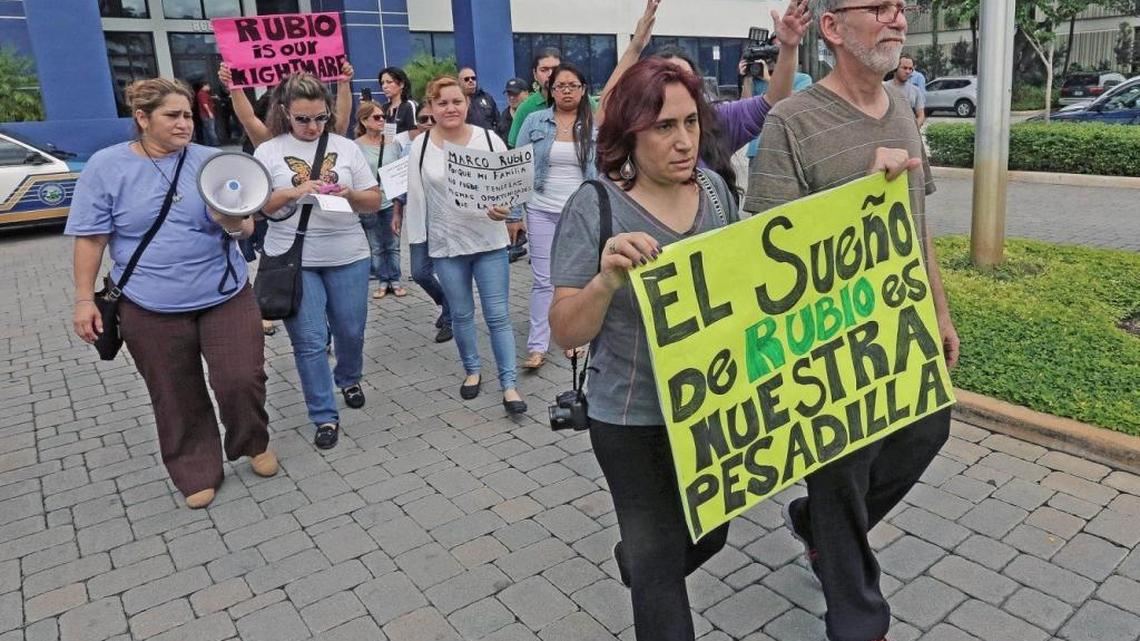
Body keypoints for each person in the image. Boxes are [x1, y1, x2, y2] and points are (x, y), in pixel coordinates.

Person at [744, 2, 959, 640]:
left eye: (903, 9)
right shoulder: (790, 122)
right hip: (824, 345)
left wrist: (939, 313)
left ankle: (815, 524)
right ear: (834, 29)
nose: (898, 20)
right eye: (881, 8)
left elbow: (916, 228)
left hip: (898, 327)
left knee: (929, 428)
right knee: (841, 474)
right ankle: (859, 618)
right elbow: (764, 246)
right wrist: (859, 200)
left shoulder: (899, 107)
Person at [549, 58, 740, 641]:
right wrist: (606, 280)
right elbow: (565, 329)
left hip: (709, 408)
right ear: (629, 132)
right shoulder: (595, 205)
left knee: (710, 534)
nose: (684, 142)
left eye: (690, 123)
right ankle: (648, 564)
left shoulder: (713, 189)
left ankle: (639, 558)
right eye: (663, 128)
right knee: (660, 572)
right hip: (630, 417)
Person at [68, 78, 277, 510]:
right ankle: (196, 469)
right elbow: (91, 238)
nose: (185, 124)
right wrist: (84, 298)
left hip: (224, 292)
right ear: (142, 118)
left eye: (188, 115)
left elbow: (246, 225)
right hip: (149, 303)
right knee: (173, 391)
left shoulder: (212, 160)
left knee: (241, 378)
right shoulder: (107, 167)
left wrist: (233, 223)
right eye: (173, 116)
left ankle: (251, 442)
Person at [254, 73, 382, 450]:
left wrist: (350, 193)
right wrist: (294, 191)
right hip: (295, 259)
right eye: (303, 119)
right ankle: (324, 416)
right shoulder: (269, 151)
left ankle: (348, 376)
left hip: (348, 254)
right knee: (309, 342)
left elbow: (374, 200)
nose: (312, 127)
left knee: (350, 331)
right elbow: (259, 208)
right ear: (284, 113)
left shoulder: (345, 147)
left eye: (320, 118)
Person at [598, 0, 813, 195]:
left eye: (686, 82)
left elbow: (773, 102)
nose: (683, 143)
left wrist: (789, 47)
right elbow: (607, 114)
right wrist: (635, 48)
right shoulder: (637, 126)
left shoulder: (718, 119)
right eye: (664, 127)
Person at [404, 76, 526, 415]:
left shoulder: (488, 139)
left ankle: (509, 383)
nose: (450, 108)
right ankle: (472, 370)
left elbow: (511, 186)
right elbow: (416, 199)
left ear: (467, 103)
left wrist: (506, 209)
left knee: (498, 315)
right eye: (441, 103)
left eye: (456, 101)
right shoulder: (421, 146)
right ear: (430, 108)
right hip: (446, 245)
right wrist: (418, 245)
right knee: (461, 315)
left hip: (488, 241)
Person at [515, 63, 596, 370]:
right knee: (543, 280)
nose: (566, 91)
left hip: (580, 213)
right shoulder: (536, 120)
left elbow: (601, 171)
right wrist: (513, 213)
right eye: (560, 86)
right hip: (540, 208)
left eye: (572, 85)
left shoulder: (592, 124)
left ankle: (574, 338)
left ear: (583, 89)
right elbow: (517, 166)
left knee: (578, 278)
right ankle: (537, 345)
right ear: (550, 90)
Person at [393, 101, 453, 344]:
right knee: (419, 272)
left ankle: (451, 318)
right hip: (419, 220)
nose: (428, 123)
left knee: (448, 274)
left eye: (432, 118)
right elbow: (400, 185)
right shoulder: (411, 149)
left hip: (446, 222)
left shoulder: (450, 147)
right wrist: (397, 213)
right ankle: (447, 303)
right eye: (423, 119)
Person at [353, 101, 407, 299]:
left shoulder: (393, 143)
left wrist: (399, 205)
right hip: (369, 202)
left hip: (391, 201)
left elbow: (401, 174)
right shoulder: (356, 147)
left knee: (393, 243)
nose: (382, 120)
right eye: (376, 117)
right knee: (376, 246)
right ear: (364, 121)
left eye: (383, 116)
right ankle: (382, 280)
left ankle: (395, 279)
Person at [507, 47, 563, 147]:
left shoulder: (584, 102)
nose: (550, 74)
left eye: (555, 69)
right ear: (535, 74)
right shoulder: (525, 108)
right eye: (544, 70)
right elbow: (515, 151)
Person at [886, 54, 926, 126]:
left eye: (910, 69)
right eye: (904, 68)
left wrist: (914, 128)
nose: (908, 71)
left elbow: (921, 115)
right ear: (895, 68)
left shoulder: (916, 90)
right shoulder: (884, 87)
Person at [380, 66, 416, 133]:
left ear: (401, 84)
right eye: (382, 83)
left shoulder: (409, 105)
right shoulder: (384, 108)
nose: (384, 86)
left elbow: (415, 135)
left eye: (389, 82)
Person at [496, 77, 530, 144]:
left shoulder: (535, 112)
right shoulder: (503, 117)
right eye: (509, 94)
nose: (511, 97)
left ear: (526, 93)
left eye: (515, 94)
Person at [195, 82, 219, 146]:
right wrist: (209, 113)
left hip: (205, 115)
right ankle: (214, 143)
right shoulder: (202, 94)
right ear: (204, 86)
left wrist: (213, 97)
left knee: (206, 129)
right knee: (210, 129)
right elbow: (204, 104)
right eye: (208, 86)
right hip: (206, 115)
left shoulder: (204, 94)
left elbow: (208, 98)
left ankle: (208, 143)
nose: (209, 88)